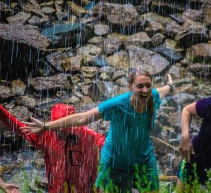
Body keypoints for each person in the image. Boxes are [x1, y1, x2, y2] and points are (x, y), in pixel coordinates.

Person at [21, 69, 175, 193]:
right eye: (140, 86)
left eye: (148, 85)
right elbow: (83, 118)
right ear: (130, 86)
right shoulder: (118, 104)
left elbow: (163, 90)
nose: (145, 90)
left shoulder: (152, 96)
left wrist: (171, 86)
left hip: (144, 159)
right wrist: (46, 126)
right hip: (116, 162)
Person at [0, 103, 105, 193]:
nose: (61, 133)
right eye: (57, 129)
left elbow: (113, 153)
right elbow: (20, 128)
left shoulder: (91, 138)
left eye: (64, 129)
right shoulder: (47, 135)